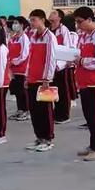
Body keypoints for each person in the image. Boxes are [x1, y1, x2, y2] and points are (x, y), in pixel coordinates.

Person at [74, 6, 95, 162]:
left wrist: (83, 61)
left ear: (89, 19)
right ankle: (92, 144)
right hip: (84, 80)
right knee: (88, 116)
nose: (78, 25)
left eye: (80, 21)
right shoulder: (84, 36)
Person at [25, 9, 57, 153]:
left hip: (44, 80)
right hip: (32, 77)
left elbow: (51, 58)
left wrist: (47, 78)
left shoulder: (49, 37)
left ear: (43, 20)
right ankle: (38, 137)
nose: (32, 22)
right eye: (30, 20)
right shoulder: (32, 36)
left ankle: (48, 139)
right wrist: (27, 75)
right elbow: (30, 57)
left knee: (45, 109)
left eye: (34, 20)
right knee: (34, 110)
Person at [49, 9, 72, 124]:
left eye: (54, 13)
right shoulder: (48, 30)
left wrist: (61, 64)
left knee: (62, 91)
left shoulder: (63, 30)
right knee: (51, 90)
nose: (51, 14)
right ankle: (54, 112)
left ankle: (64, 114)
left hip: (60, 66)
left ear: (59, 18)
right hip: (50, 65)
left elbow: (67, 47)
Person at [8, 16, 30, 122]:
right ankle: (20, 109)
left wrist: (15, 61)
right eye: (14, 23)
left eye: (16, 23)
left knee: (23, 91)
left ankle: (26, 110)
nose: (14, 25)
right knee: (17, 91)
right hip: (13, 69)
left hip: (22, 68)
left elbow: (24, 54)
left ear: (22, 25)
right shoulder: (13, 37)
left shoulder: (24, 38)